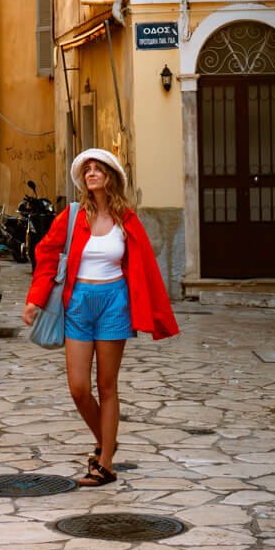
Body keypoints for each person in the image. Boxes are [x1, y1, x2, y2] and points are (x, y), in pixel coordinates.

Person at [22, 147, 178, 486]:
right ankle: (107, 439)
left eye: (99, 168)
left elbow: (144, 267)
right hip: (77, 302)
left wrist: (150, 310)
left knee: (107, 387)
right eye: (88, 169)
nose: (92, 173)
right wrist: (34, 299)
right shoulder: (73, 215)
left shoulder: (127, 218)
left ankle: (105, 463)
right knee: (79, 388)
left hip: (113, 304)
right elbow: (47, 255)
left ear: (111, 177)